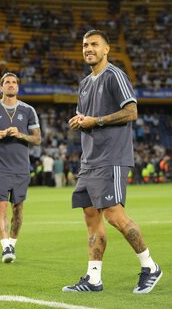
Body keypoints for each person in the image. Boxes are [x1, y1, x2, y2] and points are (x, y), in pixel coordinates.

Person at [62, 30, 162, 294]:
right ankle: (93, 279)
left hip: (112, 158)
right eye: (85, 45)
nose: (88, 49)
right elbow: (88, 117)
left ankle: (150, 266)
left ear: (107, 49)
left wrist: (97, 121)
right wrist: (81, 121)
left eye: (94, 44)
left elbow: (131, 111)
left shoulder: (115, 75)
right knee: (91, 216)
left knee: (115, 216)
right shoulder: (84, 84)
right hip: (90, 159)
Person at [0, 72, 41, 263]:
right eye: (7, 82)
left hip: (21, 168)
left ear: (17, 87)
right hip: (0, 168)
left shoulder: (28, 111)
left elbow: (37, 139)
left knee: (18, 208)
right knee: (2, 205)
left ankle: (12, 243)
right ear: (1, 87)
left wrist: (22, 135)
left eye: (14, 82)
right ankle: (5, 247)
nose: (11, 85)